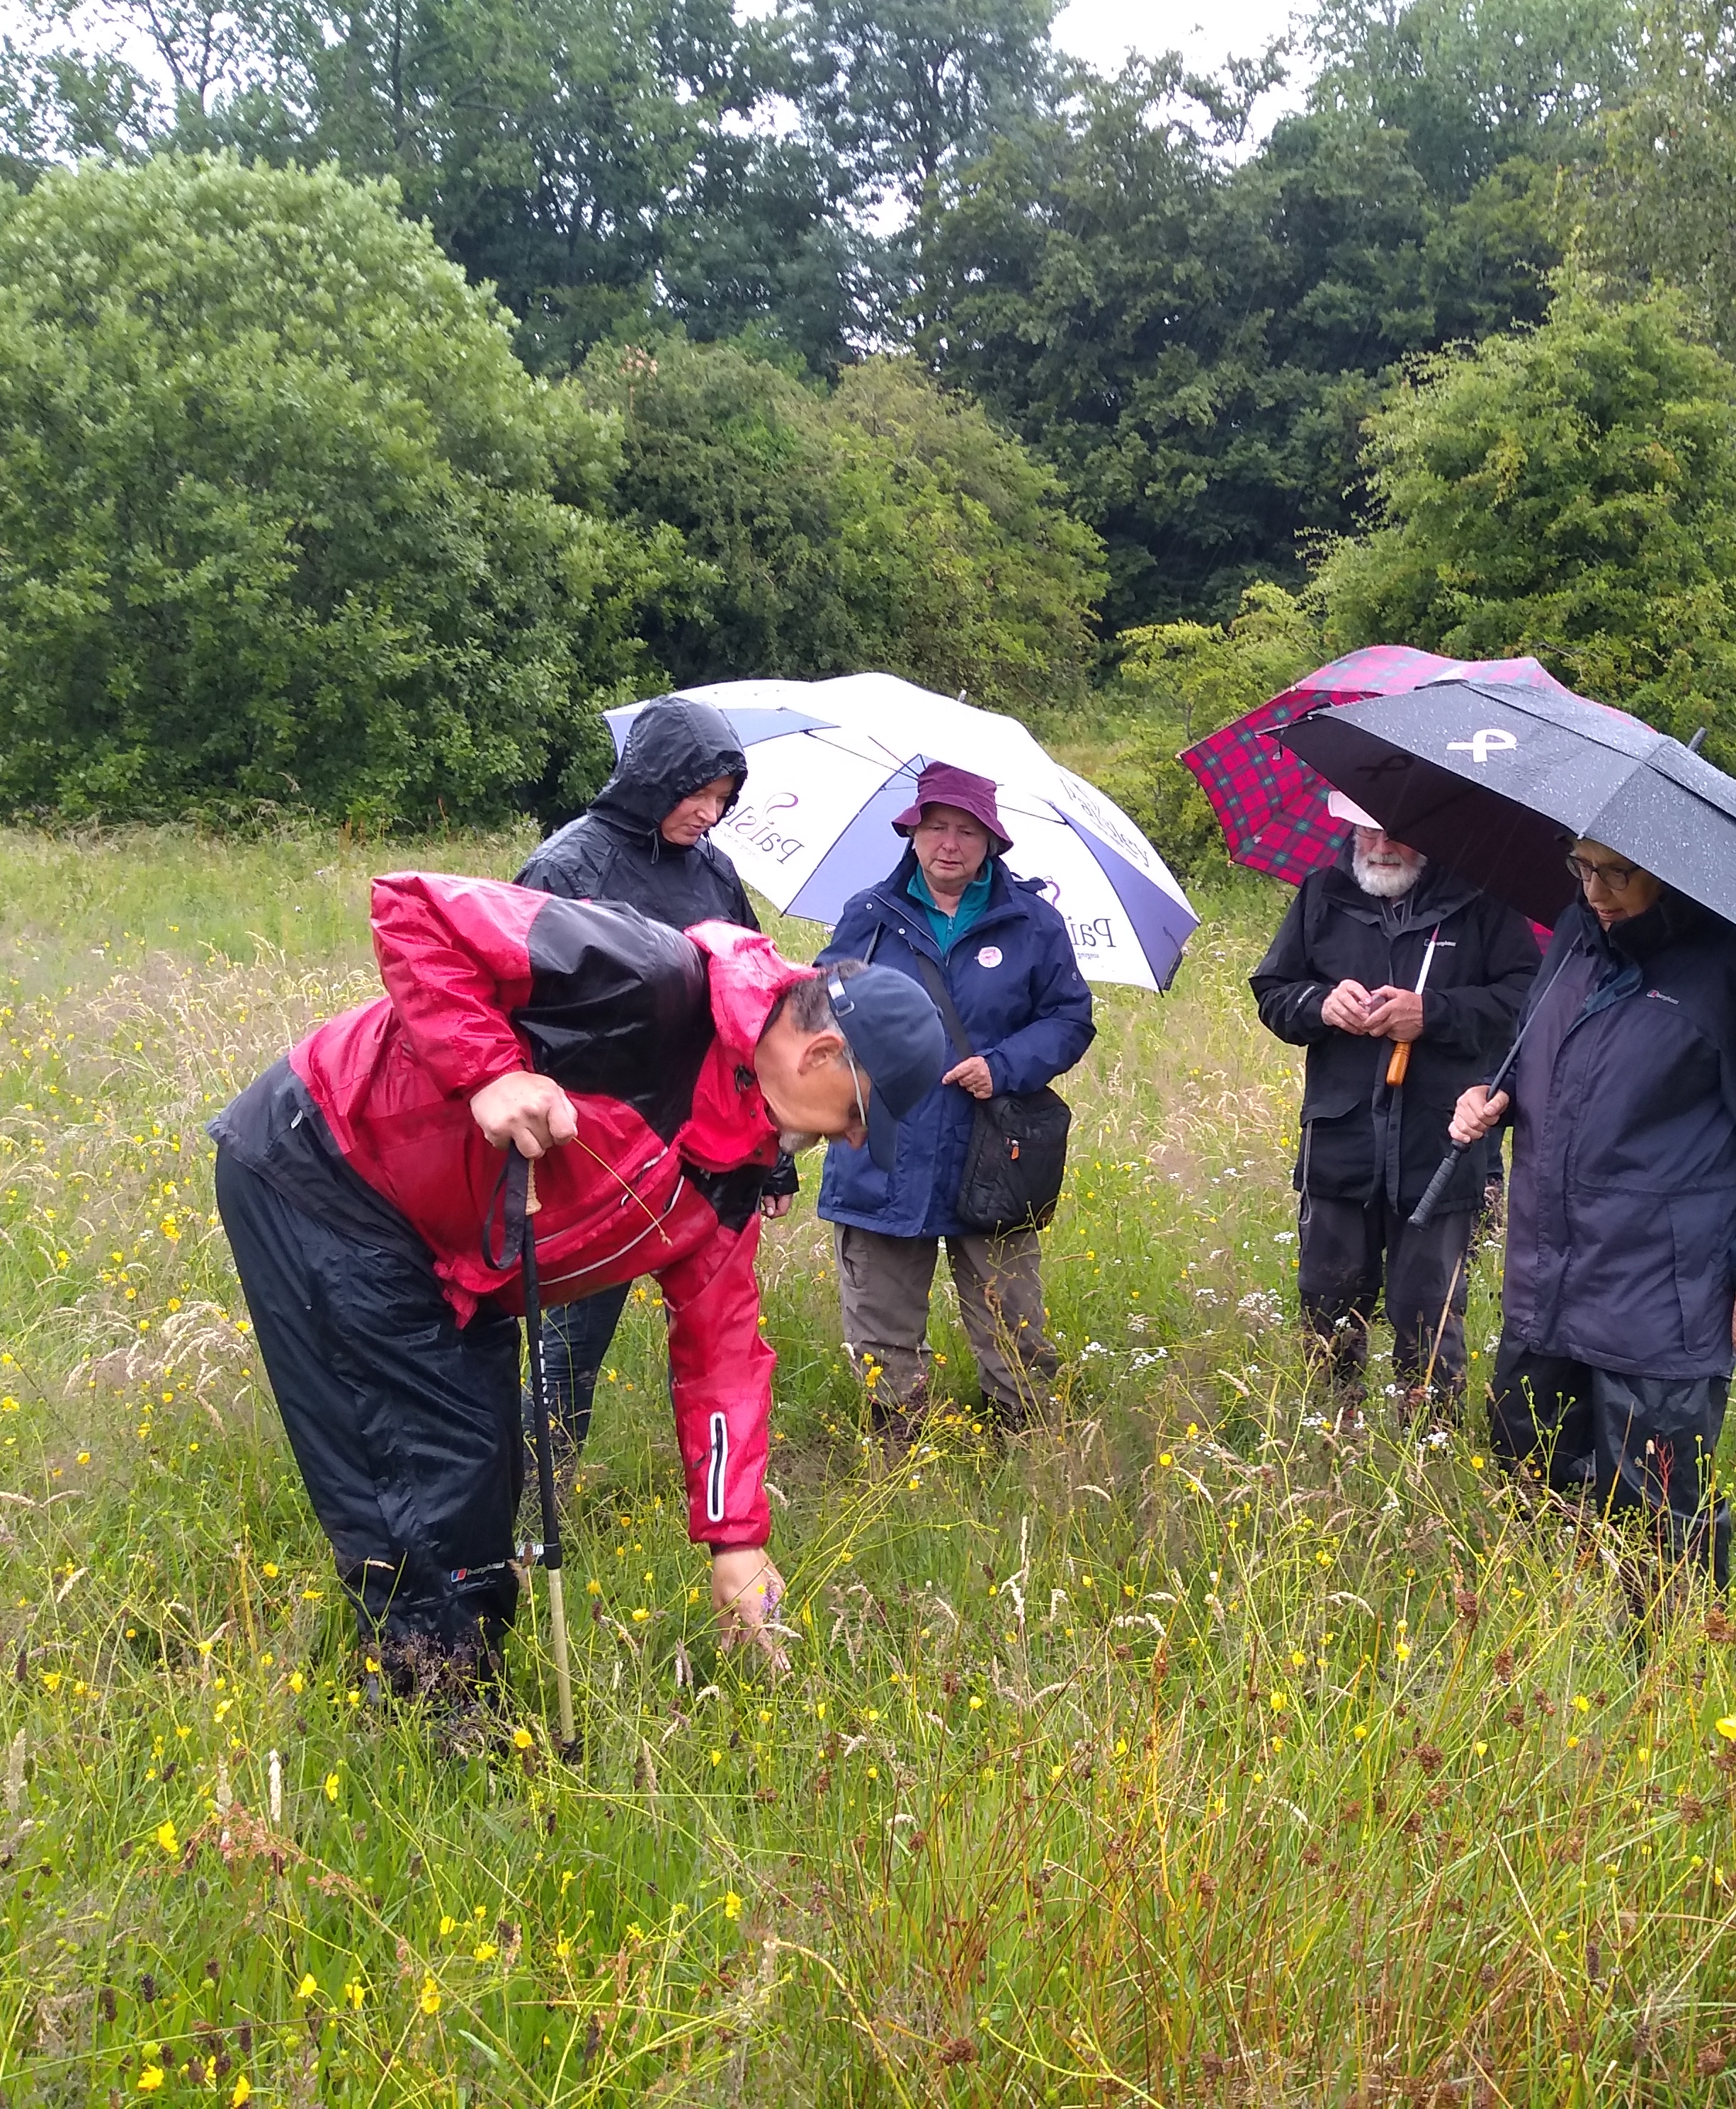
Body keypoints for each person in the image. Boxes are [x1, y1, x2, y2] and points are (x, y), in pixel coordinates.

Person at [208, 871, 946, 1704]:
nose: (848, 1141)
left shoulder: (732, 1172)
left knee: (481, 1474)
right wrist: (489, 1071)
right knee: (420, 1477)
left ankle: (441, 1700)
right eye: (855, 1115)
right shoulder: (647, 980)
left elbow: (723, 1359)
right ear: (819, 1055)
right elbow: (414, 909)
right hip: (327, 1168)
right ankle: (434, 1730)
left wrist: (735, 1540)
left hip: (462, 1254)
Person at [1448, 838, 1736, 1590]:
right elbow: (1533, 1053)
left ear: (1672, 866)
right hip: (1546, 1268)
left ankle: (1663, 1664)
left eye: (1617, 873)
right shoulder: (1570, 938)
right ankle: (1553, 1630)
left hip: (1660, 1285)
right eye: (1580, 867)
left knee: (1656, 1493)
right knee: (1527, 1457)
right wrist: (1487, 1096)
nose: (1594, 889)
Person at [514, 697, 795, 1485]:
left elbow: (755, 1006)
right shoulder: (566, 865)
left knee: (716, 1337)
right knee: (573, 1332)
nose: (709, 814)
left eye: (723, 799)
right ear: (652, 776)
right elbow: (523, 1007)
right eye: (697, 793)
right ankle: (538, 1492)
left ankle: (715, 1498)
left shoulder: (711, 870)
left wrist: (771, 1157)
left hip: (706, 1138)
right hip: (598, 1141)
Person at [817, 762, 1096, 1442]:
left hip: (992, 1151)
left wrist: (1002, 1066)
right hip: (882, 1148)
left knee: (1013, 1321)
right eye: (936, 826)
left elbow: (1070, 1018)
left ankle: (1028, 1455)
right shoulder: (869, 916)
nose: (950, 843)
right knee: (881, 1326)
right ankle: (898, 1459)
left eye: (968, 831)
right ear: (911, 833)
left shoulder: (1033, 922)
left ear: (991, 842)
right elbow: (821, 1010)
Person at [1250, 791, 1538, 1424]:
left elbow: (1526, 1004)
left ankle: (1427, 1448)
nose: (1381, 846)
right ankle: (1330, 1436)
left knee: (1429, 1309)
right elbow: (1273, 992)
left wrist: (1432, 1014)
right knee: (1326, 1301)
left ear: (1430, 835)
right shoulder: (1322, 895)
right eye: (1367, 831)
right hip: (1339, 1142)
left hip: (1440, 1148)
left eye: (1398, 833)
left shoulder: (1480, 904)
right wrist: (1319, 1006)